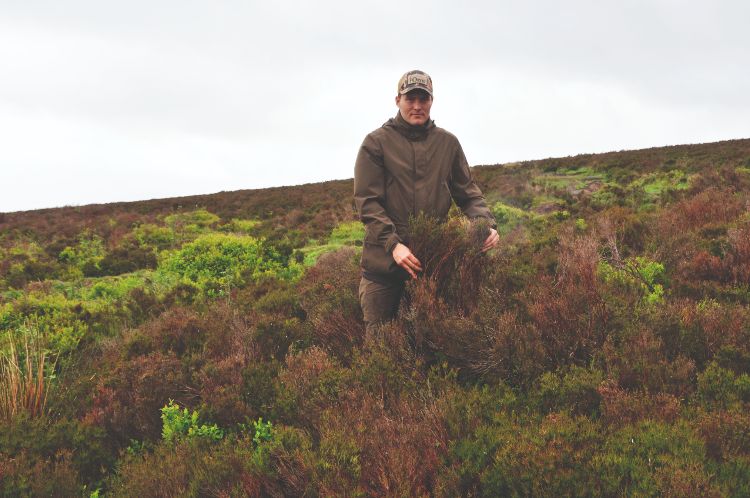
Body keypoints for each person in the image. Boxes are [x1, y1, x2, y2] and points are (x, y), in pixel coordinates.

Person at [353, 69, 499, 331]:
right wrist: (393, 245)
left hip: (431, 267)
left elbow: (467, 193)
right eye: (411, 99)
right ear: (397, 100)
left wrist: (485, 223)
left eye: (424, 99)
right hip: (383, 269)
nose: (417, 106)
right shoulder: (375, 144)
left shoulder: (448, 143)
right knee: (381, 349)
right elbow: (368, 202)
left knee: (433, 343)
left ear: (432, 101)